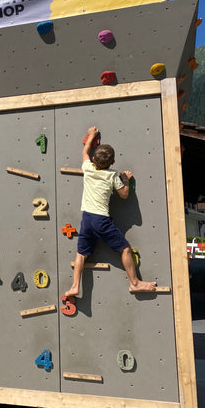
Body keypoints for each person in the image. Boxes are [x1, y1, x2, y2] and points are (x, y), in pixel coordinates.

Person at [63, 126, 157, 300]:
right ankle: (135, 283)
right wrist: (126, 179)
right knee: (125, 249)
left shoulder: (88, 168)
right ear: (112, 163)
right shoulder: (113, 175)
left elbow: (84, 151)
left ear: (93, 159)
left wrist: (91, 135)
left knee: (81, 254)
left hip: (87, 218)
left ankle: (75, 286)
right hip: (101, 219)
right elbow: (124, 195)